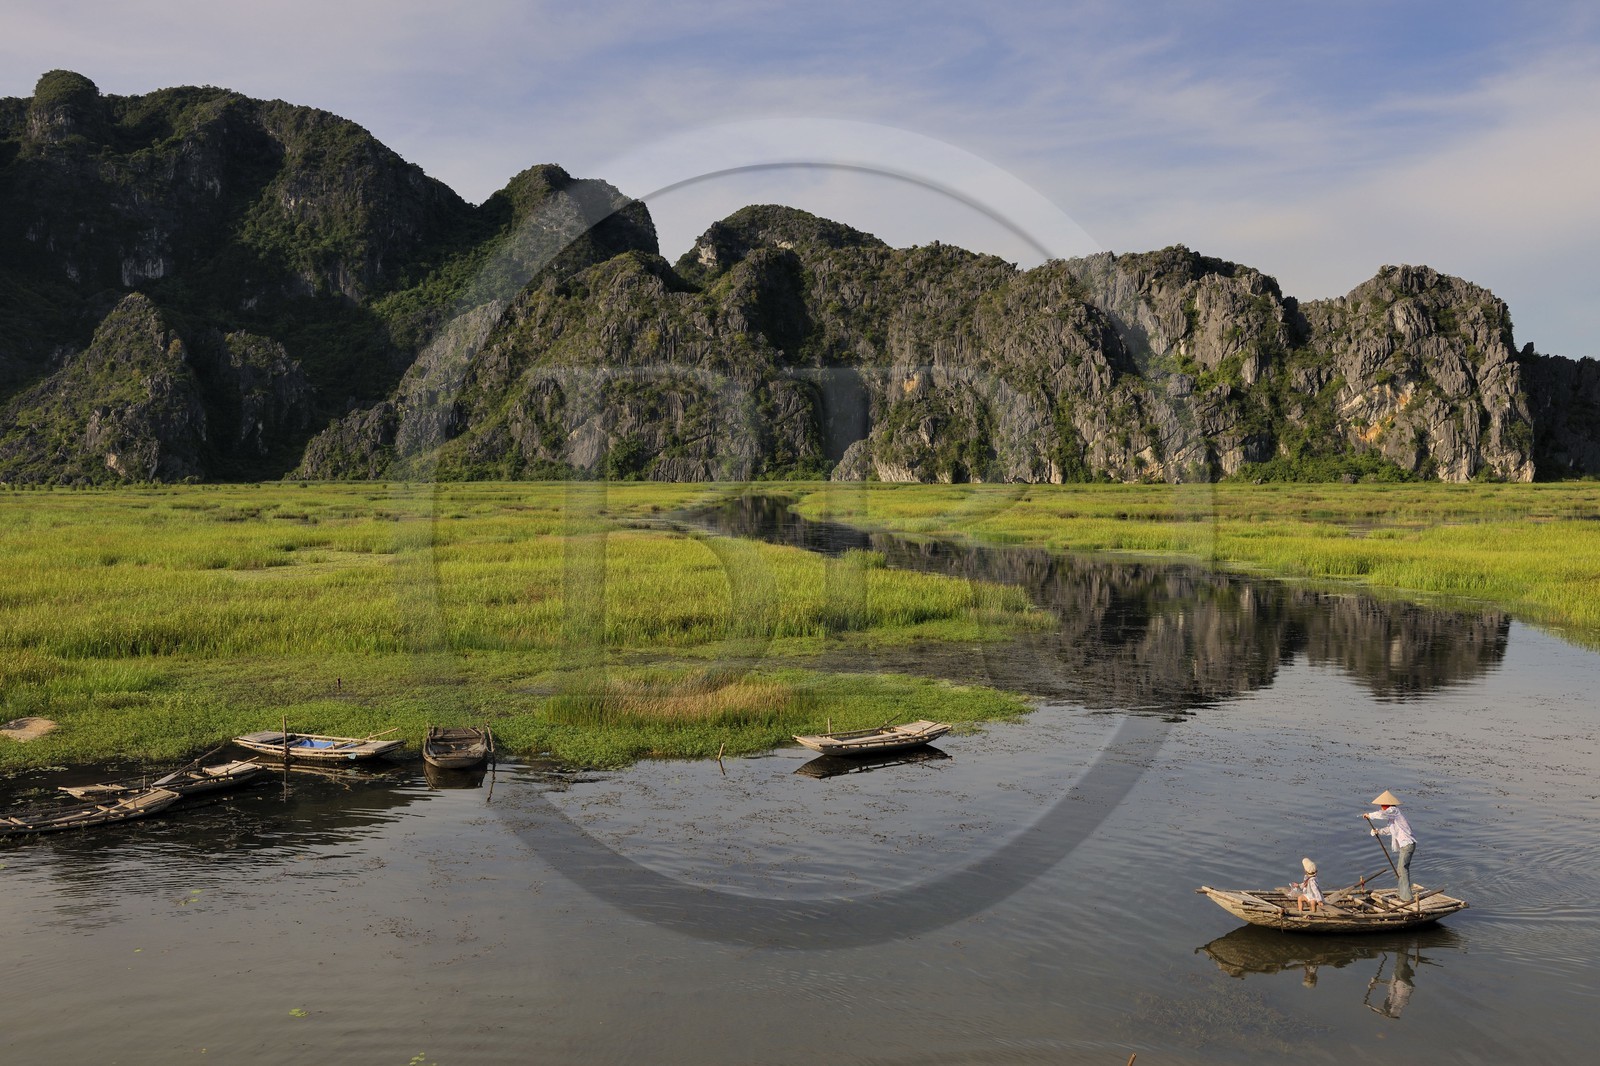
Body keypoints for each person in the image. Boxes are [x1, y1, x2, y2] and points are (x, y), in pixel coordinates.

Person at [1363, 789, 1417, 901]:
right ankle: (1402, 893)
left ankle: (1407, 897)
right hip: (1404, 846)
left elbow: (1382, 814)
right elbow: (1390, 830)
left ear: (1387, 805)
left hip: (1408, 844)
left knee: (1403, 869)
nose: (1381, 807)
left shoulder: (1394, 810)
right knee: (1400, 869)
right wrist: (1378, 831)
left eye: (1382, 805)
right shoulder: (1392, 817)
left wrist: (1369, 815)